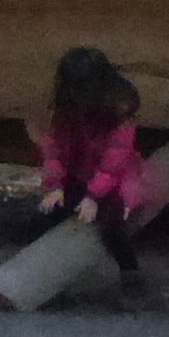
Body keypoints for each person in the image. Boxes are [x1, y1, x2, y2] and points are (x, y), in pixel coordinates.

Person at [34, 44, 155, 302]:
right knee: (49, 214)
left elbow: (115, 162)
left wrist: (93, 197)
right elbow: (53, 150)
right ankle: (51, 282)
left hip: (116, 181)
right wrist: (55, 186)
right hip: (79, 174)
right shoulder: (64, 110)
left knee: (112, 224)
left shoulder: (119, 112)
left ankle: (131, 276)